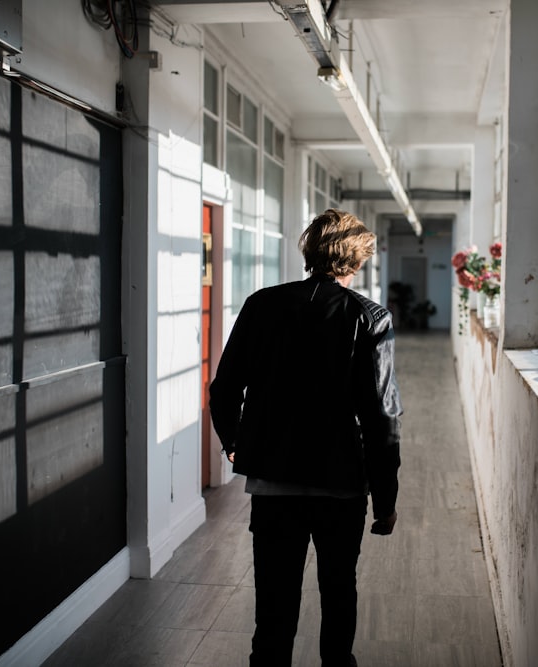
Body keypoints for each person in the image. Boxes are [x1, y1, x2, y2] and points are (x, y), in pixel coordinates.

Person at [209, 208, 402, 667]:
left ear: (309, 251)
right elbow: (382, 417)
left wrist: (234, 441)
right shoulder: (369, 317)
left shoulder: (261, 305)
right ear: (356, 260)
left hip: (274, 483)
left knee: (273, 602)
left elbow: (224, 387)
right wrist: (386, 498)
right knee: (339, 590)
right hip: (342, 484)